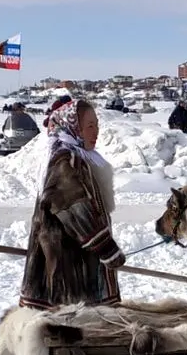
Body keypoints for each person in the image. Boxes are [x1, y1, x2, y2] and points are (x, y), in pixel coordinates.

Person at [18, 97, 125, 309]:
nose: (95, 132)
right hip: (67, 270)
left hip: (78, 262)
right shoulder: (64, 160)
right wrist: (106, 248)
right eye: (89, 126)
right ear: (73, 127)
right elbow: (75, 207)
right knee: (68, 329)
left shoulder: (80, 155)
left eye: (97, 125)